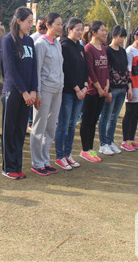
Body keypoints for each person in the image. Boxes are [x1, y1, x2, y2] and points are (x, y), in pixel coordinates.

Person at [1, 7, 37, 179]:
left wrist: (33, 91)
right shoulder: (8, 40)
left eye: (32, 21)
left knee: (21, 131)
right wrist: (24, 92)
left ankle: (17, 165)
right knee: (10, 130)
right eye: (29, 21)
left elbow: (34, 68)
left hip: (28, 94)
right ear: (19, 21)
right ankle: (8, 167)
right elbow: (10, 70)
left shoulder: (29, 41)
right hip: (13, 92)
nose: (31, 25)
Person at [30, 13, 64, 175]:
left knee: (51, 127)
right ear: (48, 25)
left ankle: (45, 160)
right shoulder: (40, 44)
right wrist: (37, 92)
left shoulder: (58, 44)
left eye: (61, 24)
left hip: (57, 89)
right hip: (44, 90)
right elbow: (36, 70)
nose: (60, 27)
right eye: (58, 24)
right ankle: (37, 162)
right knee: (39, 126)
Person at [54, 17, 87, 170]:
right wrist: (76, 88)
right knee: (64, 124)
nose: (80, 32)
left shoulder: (80, 47)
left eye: (81, 30)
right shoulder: (64, 46)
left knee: (72, 125)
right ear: (69, 30)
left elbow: (85, 69)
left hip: (81, 92)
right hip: (68, 92)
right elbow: (65, 70)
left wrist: (85, 86)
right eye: (77, 29)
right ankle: (59, 155)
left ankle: (68, 153)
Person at [79, 21, 110, 163]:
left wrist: (107, 85)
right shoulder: (88, 48)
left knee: (94, 121)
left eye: (105, 30)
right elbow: (90, 70)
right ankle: (85, 150)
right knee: (87, 120)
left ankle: (91, 149)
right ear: (94, 32)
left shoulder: (103, 48)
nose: (105, 33)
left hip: (103, 91)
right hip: (92, 91)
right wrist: (98, 87)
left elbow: (106, 68)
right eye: (102, 30)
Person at [97, 25, 129, 156]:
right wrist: (108, 89)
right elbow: (106, 71)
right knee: (105, 116)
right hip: (112, 89)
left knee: (114, 117)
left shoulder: (123, 51)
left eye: (124, 37)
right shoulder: (107, 50)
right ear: (114, 36)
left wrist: (128, 87)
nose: (122, 39)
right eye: (121, 37)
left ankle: (110, 141)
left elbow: (126, 69)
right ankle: (103, 143)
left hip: (122, 88)